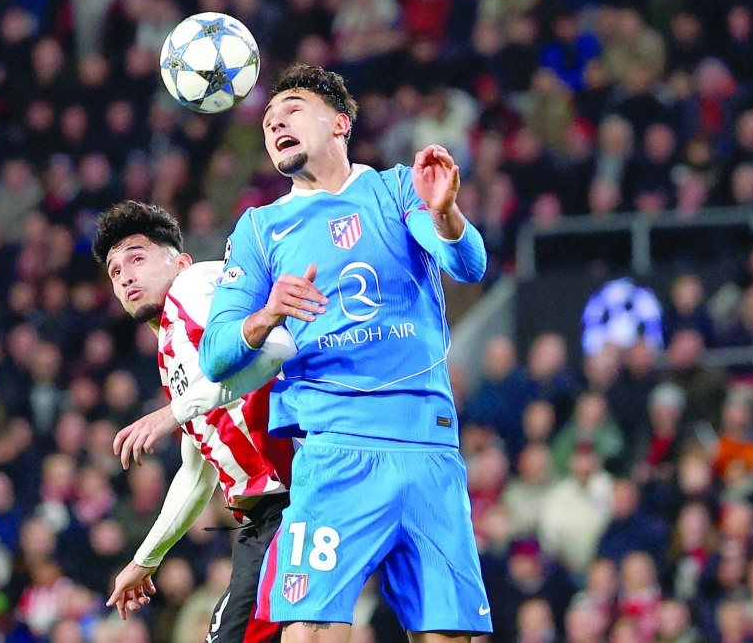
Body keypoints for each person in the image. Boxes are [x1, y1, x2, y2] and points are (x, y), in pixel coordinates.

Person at [199, 64, 491, 642]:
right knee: (309, 631)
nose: (275, 123)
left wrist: (445, 214)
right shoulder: (260, 229)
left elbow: (468, 265)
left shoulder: (397, 189)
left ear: (340, 123)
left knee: (451, 636)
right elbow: (215, 354)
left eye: (292, 109)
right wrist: (266, 315)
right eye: (268, 120)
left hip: (429, 449)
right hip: (336, 451)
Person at [92, 201, 297, 643]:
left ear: (180, 262)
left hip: (295, 494)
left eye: (138, 259)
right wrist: (145, 559)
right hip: (268, 515)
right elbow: (197, 473)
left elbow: (275, 349)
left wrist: (172, 413)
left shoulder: (196, 284)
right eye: (115, 271)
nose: (125, 276)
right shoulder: (172, 353)